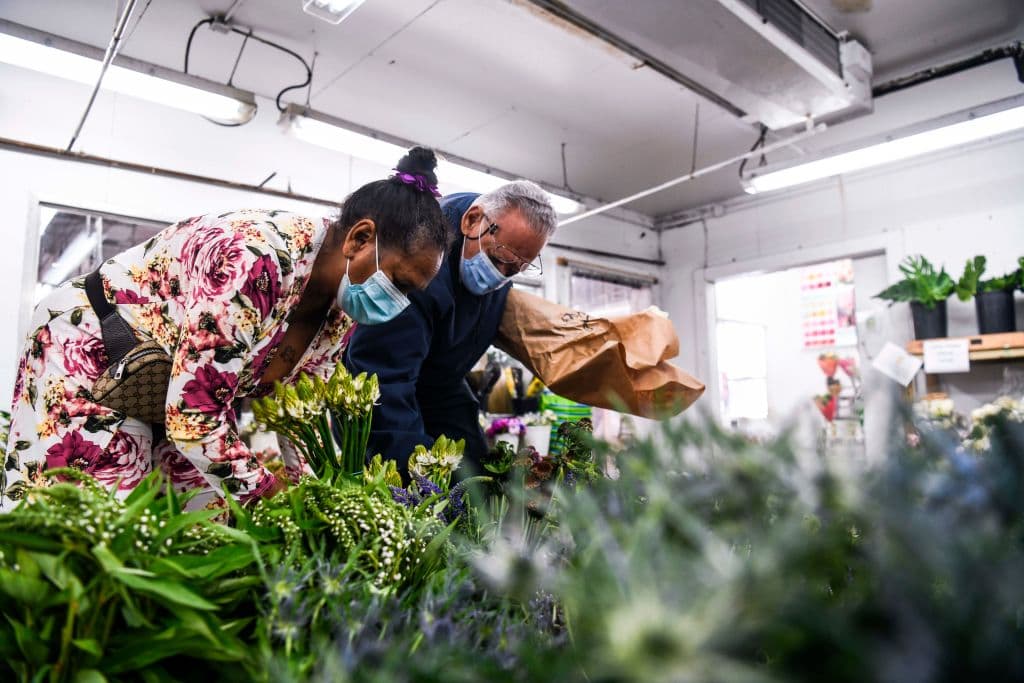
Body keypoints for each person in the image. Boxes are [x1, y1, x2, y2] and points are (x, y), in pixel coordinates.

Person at [0, 147, 448, 512]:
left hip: (164, 389)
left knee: (204, 522)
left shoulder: (339, 313)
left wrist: (315, 494)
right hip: (93, 350)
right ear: (359, 239)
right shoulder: (256, 259)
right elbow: (194, 420)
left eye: (411, 293)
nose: (399, 302)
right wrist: (270, 493)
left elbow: (299, 413)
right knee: (96, 518)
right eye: (399, 282)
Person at [344, 181, 557, 474]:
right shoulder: (420, 262)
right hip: (381, 392)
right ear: (471, 221)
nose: (500, 277)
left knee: (476, 477)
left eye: (516, 270)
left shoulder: (498, 248)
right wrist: (418, 473)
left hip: (440, 385)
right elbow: (381, 378)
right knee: (414, 482)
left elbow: (444, 386)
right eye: (499, 261)